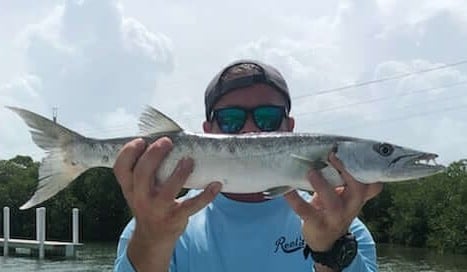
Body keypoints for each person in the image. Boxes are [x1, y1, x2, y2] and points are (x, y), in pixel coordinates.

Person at [113, 60, 383, 272]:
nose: (250, 130)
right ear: (207, 131)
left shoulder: (343, 229)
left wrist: (330, 254)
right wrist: (152, 242)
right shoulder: (154, 226)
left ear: (289, 128)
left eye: (267, 117)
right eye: (231, 120)